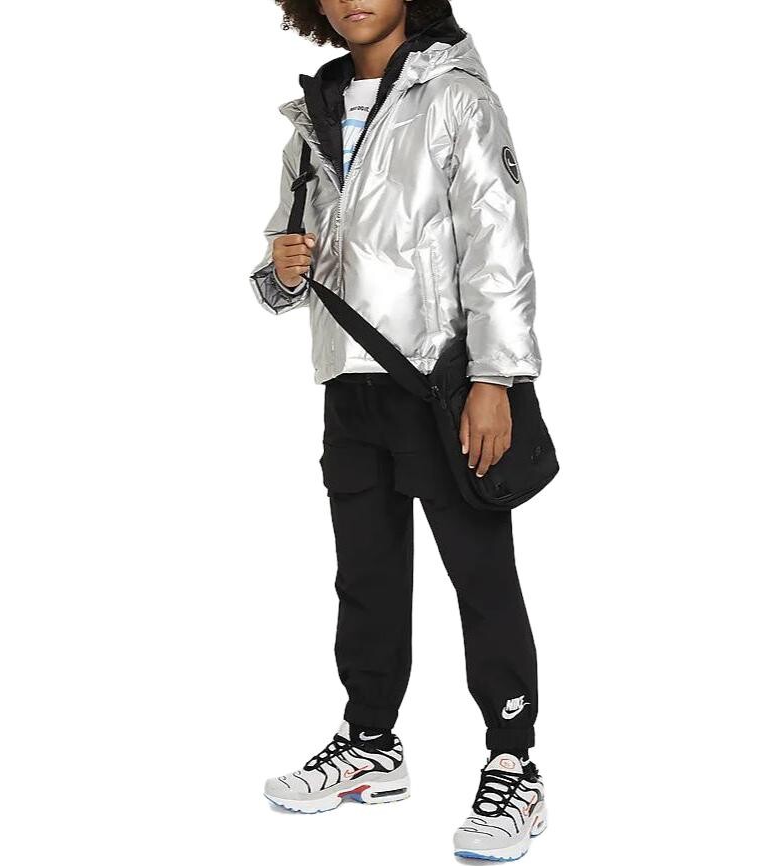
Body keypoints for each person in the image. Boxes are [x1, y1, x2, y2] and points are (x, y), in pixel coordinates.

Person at [251, 0, 547, 858]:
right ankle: (371, 744)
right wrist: (280, 269)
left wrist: (494, 378)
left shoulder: (456, 97)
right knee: (366, 578)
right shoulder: (310, 115)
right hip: (348, 388)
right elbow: (285, 260)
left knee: (480, 578)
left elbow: (498, 245)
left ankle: (514, 762)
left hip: (440, 384)